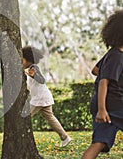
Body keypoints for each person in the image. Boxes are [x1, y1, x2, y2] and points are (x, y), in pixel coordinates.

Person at [82, 10, 123, 159]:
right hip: (114, 105)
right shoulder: (117, 56)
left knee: (99, 142)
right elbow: (104, 82)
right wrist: (102, 109)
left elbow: (95, 70)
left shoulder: (112, 54)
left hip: (107, 106)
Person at [22, 46, 72, 147]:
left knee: (24, 116)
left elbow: (42, 80)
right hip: (44, 96)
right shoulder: (30, 69)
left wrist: (34, 76)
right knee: (50, 117)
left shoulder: (34, 68)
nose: (20, 62)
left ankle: (23, 139)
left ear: (28, 59)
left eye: (22, 59)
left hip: (40, 99)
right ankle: (64, 137)